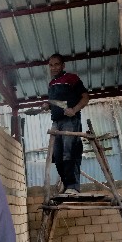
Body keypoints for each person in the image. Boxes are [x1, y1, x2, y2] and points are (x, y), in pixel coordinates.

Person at [46, 53, 89, 194]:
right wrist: (48, 105)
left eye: (56, 64)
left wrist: (74, 109)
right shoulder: (51, 84)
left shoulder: (71, 78)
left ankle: (73, 186)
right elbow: (56, 103)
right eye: (51, 65)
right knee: (57, 156)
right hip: (56, 123)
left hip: (70, 121)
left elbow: (85, 97)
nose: (53, 67)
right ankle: (66, 184)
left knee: (69, 153)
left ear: (63, 65)